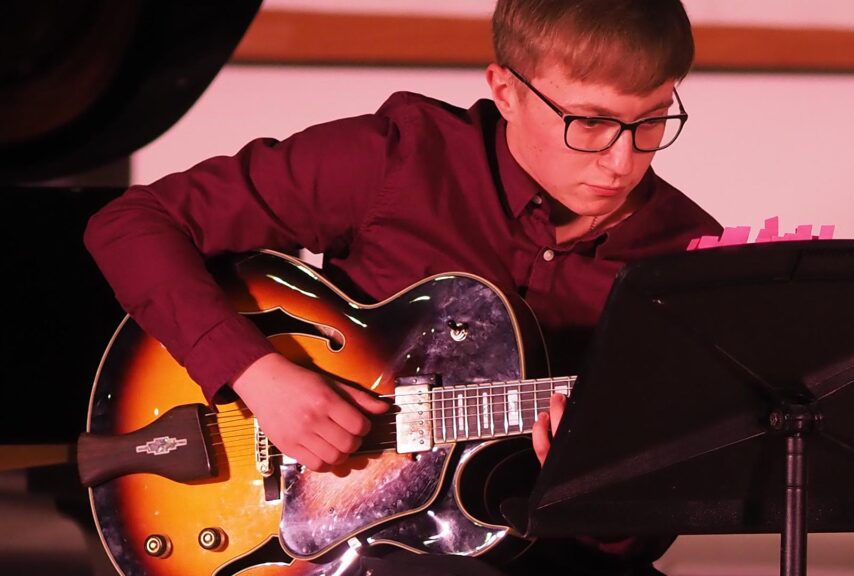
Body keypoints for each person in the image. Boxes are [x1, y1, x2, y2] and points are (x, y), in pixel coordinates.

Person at [84, 1, 722, 574]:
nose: (622, 161)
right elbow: (133, 224)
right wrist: (254, 372)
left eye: (654, 119)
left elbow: (633, 543)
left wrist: (599, 479)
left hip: (528, 551)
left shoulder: (688, 257)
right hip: (327, 545)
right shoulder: (400, 160)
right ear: (505, 90)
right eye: (589, 122)